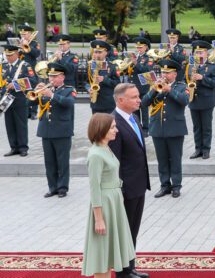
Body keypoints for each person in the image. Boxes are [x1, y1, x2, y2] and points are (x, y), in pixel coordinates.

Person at [81, 113, 136, 278]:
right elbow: (94, 188)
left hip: (114, 201)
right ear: (101, 129)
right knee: (102, 253)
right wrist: (98, 218)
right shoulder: (96, 154)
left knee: (109, 251)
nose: (116, 130)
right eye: (112, 127)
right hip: (105, 204)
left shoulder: (106, 148)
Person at [110, 84, 150, 278]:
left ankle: (130, 267)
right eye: (134, 97)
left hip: (138, 184)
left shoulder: (134, 118)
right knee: (123, 232)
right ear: (120, 100)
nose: (138, 100)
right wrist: (119, 188)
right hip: (125, 187)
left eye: (138, 96)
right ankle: (122, 271)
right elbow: (114, 161)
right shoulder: (113, 123)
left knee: (132, 230)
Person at [142, 59, 189, 198]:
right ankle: (164, 186)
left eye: (168, 73)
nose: (164, 75)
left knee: (175, 158)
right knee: (162, 159)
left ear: (175, 74)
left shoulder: (181, 86)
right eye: (163, 72)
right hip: (158, 128)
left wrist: (170, 90)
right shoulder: (156, 86)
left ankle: (176, 186)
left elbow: (184, 101)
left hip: (175, 128)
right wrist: (154, 91)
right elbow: (144, 103)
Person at [36, 63, 75, 198]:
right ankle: (52, 187)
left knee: (62, 161)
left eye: (55, 76)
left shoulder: (69, 90)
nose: (51, 79)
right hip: (46, 130)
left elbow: (69, 103)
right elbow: (30, 103)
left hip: (62, 131)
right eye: (50, 76)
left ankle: (62, 187)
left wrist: (52, 95)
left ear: (62, 77)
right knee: (49, 161)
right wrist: (36, 93)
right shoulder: (45, 89)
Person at [2, 44, 38, 157]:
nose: (8, 57)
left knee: (21, 124)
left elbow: (33, 81)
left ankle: (23, 148)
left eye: (11, 55)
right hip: (6, 100)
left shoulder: (24, 65)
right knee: (9, 124)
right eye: (6, 55)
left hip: (20, 100)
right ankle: (14, 147)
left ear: (17, 54)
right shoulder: (2, 66)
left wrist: (16, 84)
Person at [188, 41, 215, 159]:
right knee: (196, 127)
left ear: (206, 53)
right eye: (196, 52)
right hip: (194, 100)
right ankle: (198, 149)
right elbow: (185, 81)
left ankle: (206, 149)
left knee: (206, 127)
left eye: (201, 52)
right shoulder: (191, 66)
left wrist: (203, 78)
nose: (198, 54)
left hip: (206, 101)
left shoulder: (212, 67)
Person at [88, 40, 120, 114]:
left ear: (106, 53)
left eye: (100, 52)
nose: (97, 55)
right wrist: (88, 88)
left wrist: (104, 79)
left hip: (108, 104)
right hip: (95, 103)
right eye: (95, 52)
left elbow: (118, 83)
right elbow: (86, 81)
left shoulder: (113, 66)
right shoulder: (90, 65)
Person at [131, 38, 153, 133]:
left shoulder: (149, 57)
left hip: (144, 86)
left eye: (141, 47)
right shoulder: (136, 57)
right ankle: (137, 126)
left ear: (146, 47)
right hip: (135, 85)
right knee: (135, 108)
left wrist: (136, 63)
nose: (139, 49)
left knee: (143, 107)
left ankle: (145, 128)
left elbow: (146, 69)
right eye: (137, 47)